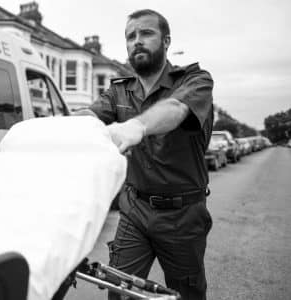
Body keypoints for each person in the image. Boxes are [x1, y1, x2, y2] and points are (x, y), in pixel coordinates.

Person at [76, 9, 214, 300]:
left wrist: (136, 126)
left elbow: (176, 110)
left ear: (166, 41)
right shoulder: (118, 92)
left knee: (186, 293)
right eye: (130, 36)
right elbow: (85, 116)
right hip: (134, 210)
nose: (136, 41)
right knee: (120, 291)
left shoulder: (194, 80)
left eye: (146, 33)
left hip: (182, 215)